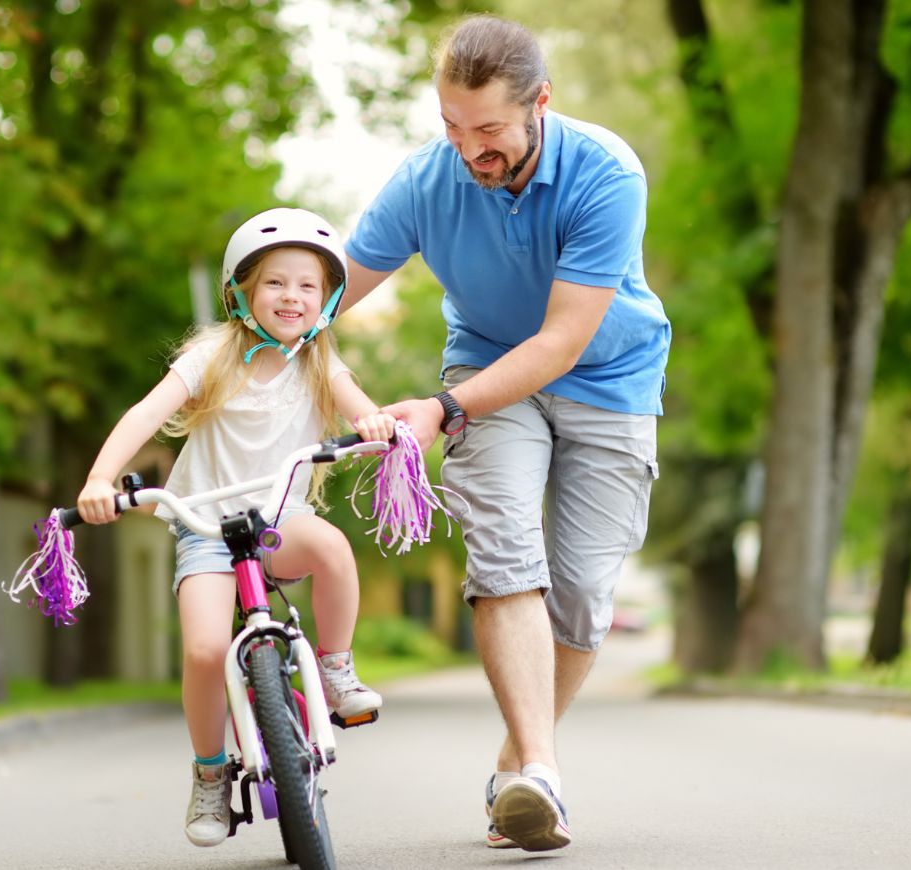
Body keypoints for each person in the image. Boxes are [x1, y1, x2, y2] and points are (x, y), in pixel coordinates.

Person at [340, 14, 670, 853]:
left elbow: (563, 341)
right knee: (505, 554)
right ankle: (542, 779)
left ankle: (519, 765)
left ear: (541, 105)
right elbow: (329, 288)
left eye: (488, 130)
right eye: (451, 126)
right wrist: (252, 324)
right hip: (488, 377)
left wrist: (441, 413)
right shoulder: (427, 180)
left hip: (608, 377)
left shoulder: (606, 172)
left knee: (585, 592)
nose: (468, 150)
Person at [75, 207, 396, 848]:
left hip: (282, 522)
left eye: (308, 285)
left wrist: (376, 425)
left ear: (327, 298)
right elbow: (145, 414)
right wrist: (99, 479)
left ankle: (334, 668)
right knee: (201, 651)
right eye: (276, 282)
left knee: (332, 547)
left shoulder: (318, 361)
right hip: (206, 529)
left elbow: (363, 411)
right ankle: (210, 772)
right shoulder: (212, 355)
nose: (292, 296)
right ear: (243, 291)